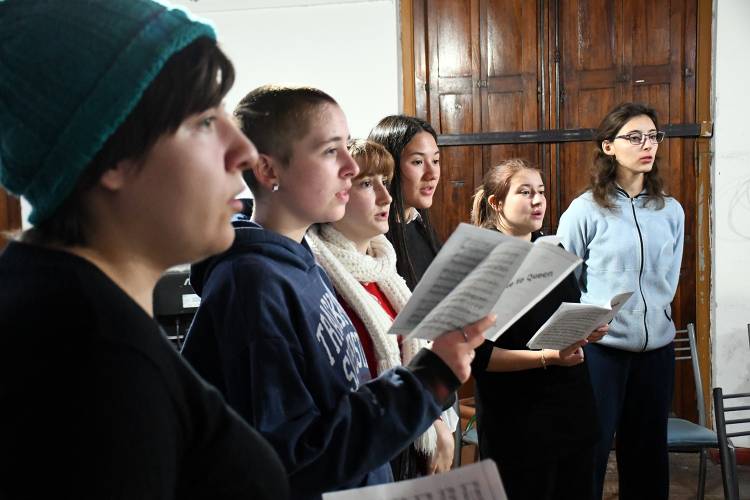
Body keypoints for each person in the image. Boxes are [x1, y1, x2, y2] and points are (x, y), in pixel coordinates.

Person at [0, 1, 289, 498]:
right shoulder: (95, 366)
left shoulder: (60, 304)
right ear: (111, 154)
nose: (243, 151)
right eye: (203, 120)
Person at [181, 85, 493, 499]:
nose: (349, 166)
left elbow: (342, 404)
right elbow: (296, 459)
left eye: (347, 148)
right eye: (331, 152)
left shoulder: (302, 264)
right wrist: (428, 378)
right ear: (268, 170)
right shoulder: (250, 283)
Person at [307, 139, 458, 481]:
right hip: (365, 455)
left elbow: (415, 357)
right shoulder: (319, 276)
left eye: (385, 183)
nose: (386, 197)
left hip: (410, 443)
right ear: (336, 193)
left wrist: (434, 420)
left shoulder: (385, 270)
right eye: (366, 184)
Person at [556, 102, 685, 500]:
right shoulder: (585, 211)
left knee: (648, 454)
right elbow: (564, 281)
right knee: (590, 452)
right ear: (608, 146)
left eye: (652, 136)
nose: (647, 145)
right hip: (602, 351)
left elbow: (670, 276)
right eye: (634, 137)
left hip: (656, 351)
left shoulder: (671, 211)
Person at [468, 158, 606, 500]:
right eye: (525, 192)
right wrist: (546, 357)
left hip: (572, 413)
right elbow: (478, 357)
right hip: (518, 424)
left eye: (541, 192)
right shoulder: (479, 262)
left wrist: (587, 330)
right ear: (495, 203)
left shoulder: (553, 250)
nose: (537, 200)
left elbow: (561, 318)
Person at [368, 116, 441, 289]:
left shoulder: (420, 225)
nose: (432, 174)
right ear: (387, 166)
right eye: (418, 162)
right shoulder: (372, 243)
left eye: (436, 161)